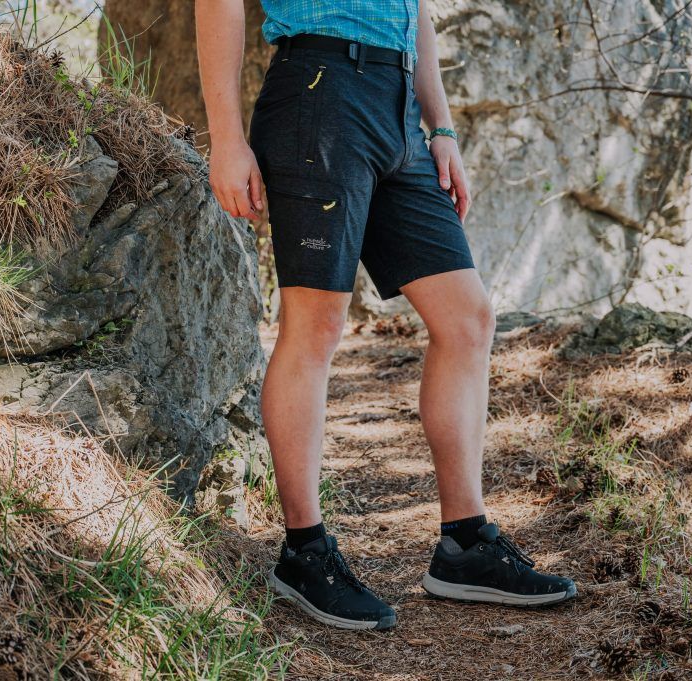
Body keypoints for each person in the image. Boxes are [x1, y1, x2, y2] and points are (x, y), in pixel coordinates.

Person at [195, 0, 576, 631]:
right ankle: (305, 552)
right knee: (315, 325)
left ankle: (464, 544)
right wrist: (227, 138)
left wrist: (442, 129)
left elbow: (417, 12)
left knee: (468, 319)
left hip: (400, 112)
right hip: (317, 93)